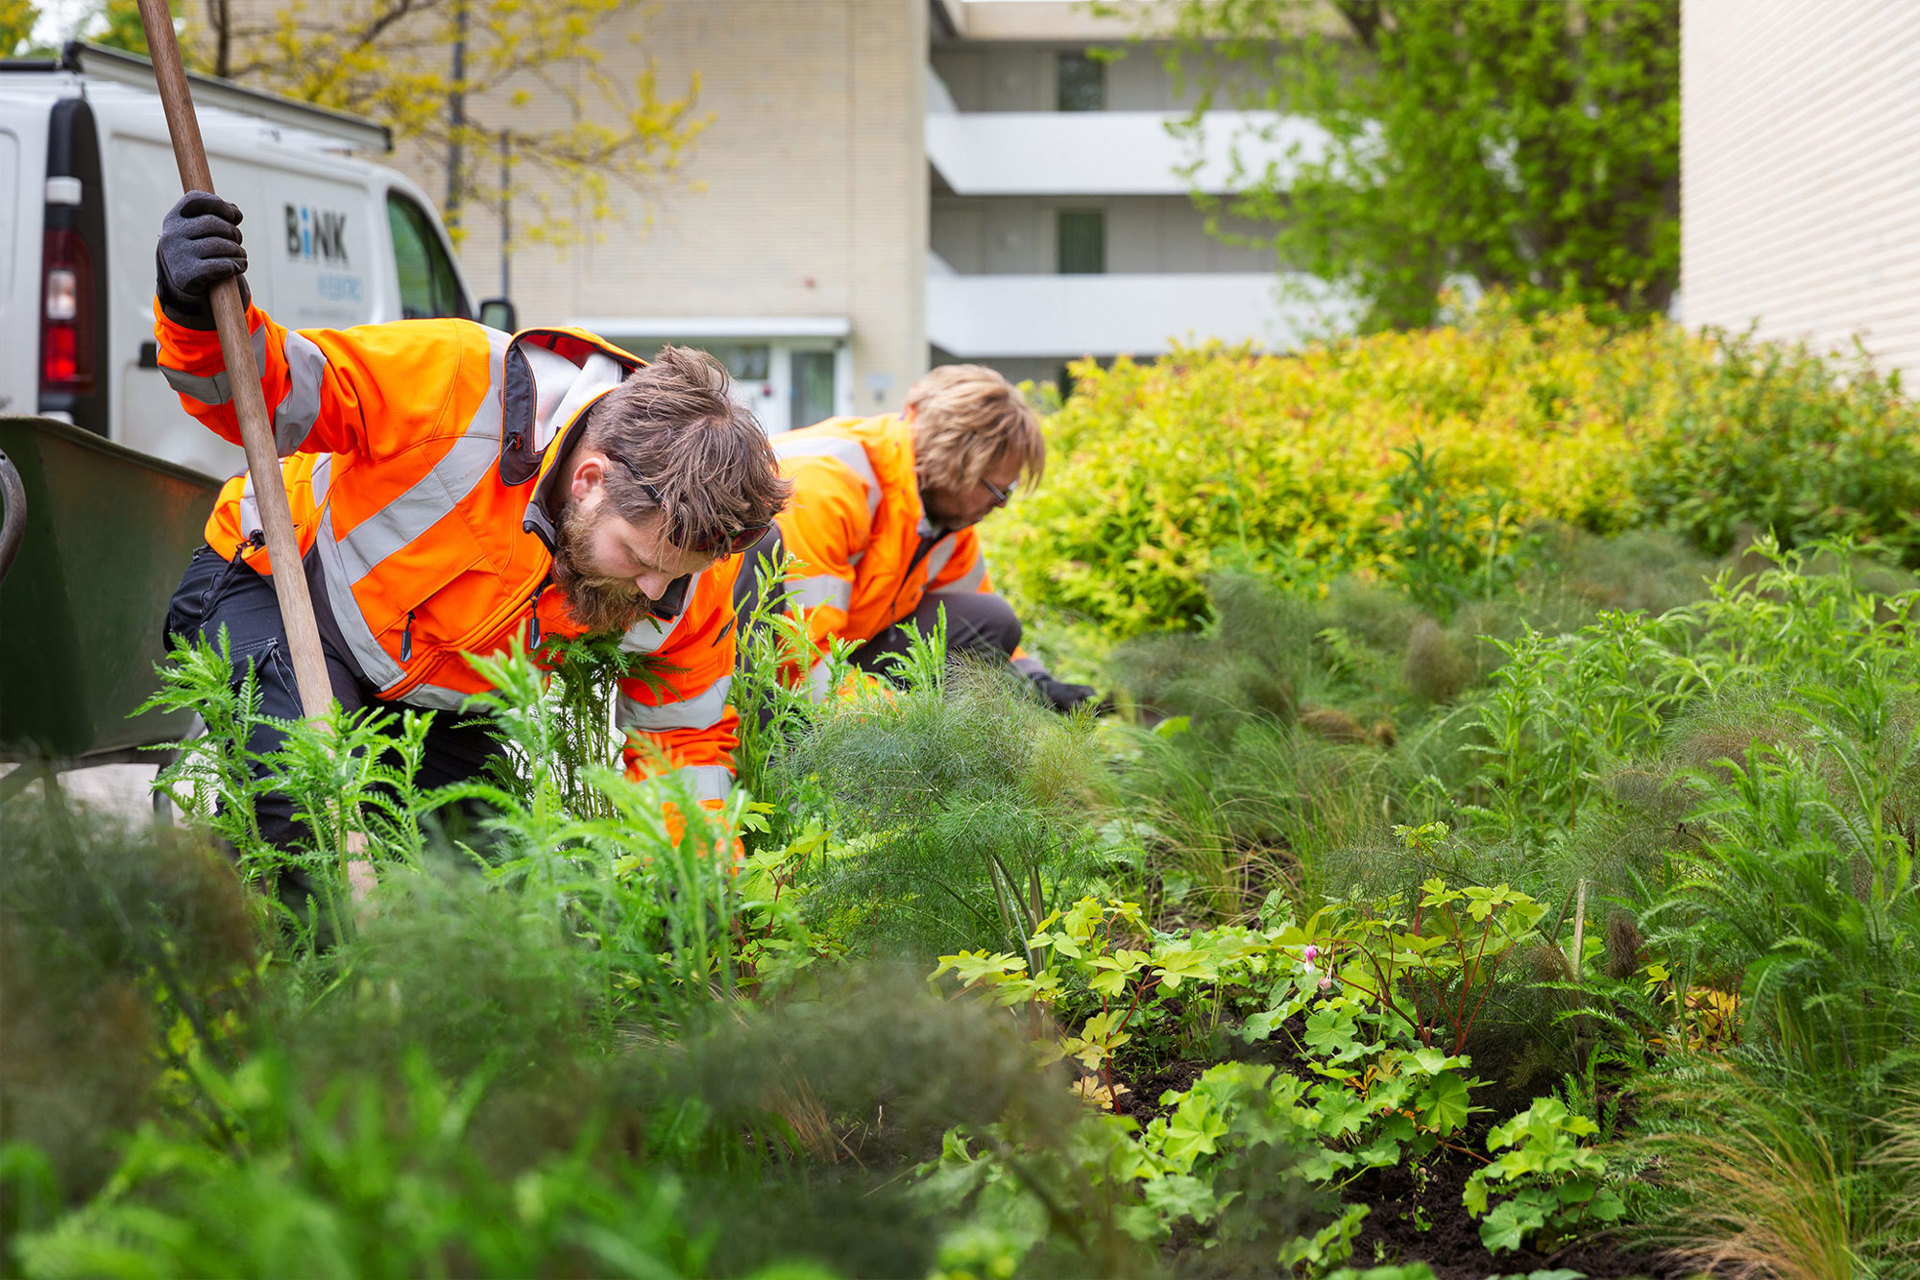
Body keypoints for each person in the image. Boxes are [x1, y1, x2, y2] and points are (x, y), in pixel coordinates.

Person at [153, 191, 791, 855]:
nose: (656, 593)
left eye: (674, 575)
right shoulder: (455, 380)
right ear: (590, 482)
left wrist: (700, 901)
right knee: (309, 811)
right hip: (277, 588)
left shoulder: (684, 566)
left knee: (484, 890)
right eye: (639, 558)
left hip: (432, 703)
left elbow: (682, 752)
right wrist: (192, 310)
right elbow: (267, 390)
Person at [736, 363, 1098, 711]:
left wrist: (1038, 682)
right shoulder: (830, 487)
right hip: (759, 671)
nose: (1000, 506)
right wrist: (911, 721)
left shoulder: (945, 517)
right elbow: (800, 663)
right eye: (996, 490)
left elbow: (979, 615)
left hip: (838, 652)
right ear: (954, 462)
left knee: (992, 620)